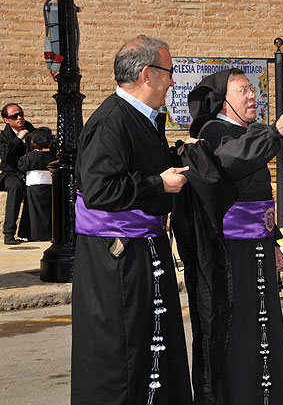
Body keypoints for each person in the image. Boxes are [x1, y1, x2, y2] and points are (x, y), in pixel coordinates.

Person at [72, 35, 193, 405]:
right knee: (123, 353)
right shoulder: (111, 121)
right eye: (169, 72)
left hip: (143, 251)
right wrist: (159, 182)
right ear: (147, 74)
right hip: (118, 261)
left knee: (151, 349)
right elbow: (100, 189)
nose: (173, 81)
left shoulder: (142, 118)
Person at [187, 67, 283, 405]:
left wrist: (273, 241)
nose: (252, 95)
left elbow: (259, 195)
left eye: (253, 89)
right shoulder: (212, 131)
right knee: (239, 330)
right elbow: (233, 160)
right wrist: (276, 132)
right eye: (243, 90)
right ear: (223, 100)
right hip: (230, 253)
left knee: (264, 327)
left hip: (258, 245)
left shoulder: (251, 130)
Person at [0, 103, 34, 244]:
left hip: (30, 172)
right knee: (15, 186)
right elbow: (8, 157)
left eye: (21, 114)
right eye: (14, 116)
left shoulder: (32, 131)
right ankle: (9, 233)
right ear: (6, 120)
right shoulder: (3, 137)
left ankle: (33, 232)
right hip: (11, 173)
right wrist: (18, 139)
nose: (19, 117)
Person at [17, 127, 56, 241]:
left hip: (33, 187)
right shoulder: (53, 156)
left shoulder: (31, 156)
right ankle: (49, 234)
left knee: (34, 212)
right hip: (49, 186)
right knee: (48, 211)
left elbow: (21, 166)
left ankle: (34, 235)